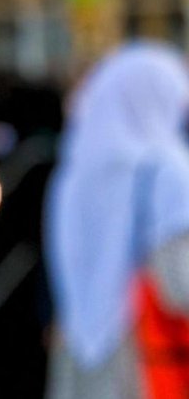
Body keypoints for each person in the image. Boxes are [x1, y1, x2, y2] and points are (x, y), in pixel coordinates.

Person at [47, 43, 189, 398]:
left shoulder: (73, 172)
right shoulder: (166, 169)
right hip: (147, 356)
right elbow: (179, 283)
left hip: (80, 350)